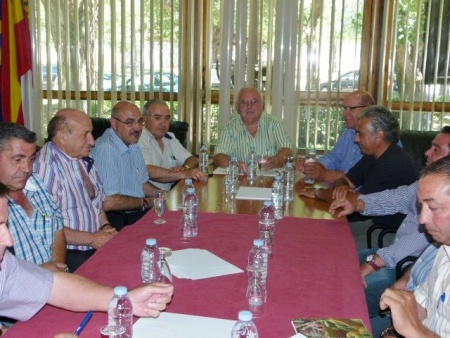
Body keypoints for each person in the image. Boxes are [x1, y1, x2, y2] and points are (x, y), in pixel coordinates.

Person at [0, 182, 174, 336]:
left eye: (5, 225)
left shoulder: (4, 264)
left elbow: (54, 287)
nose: (9, 240)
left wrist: (125, 299)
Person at [329, 126, 450, 337]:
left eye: (436, 149)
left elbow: (418, 240)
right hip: (405, 269)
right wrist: (357, 204)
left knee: (343, 294)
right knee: (338, 265)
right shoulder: (443, 249)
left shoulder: (440, 234)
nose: (427, 153)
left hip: (399, 260)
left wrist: (375, 262)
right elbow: (396, 197)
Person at [34, 109, 117, 271]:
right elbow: (44, 226)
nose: (92, 141)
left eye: (91, 133)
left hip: (96, 243)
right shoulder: (46, 168)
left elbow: (96, 205)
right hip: (69, 253)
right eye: (85, 134)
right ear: (62, 137)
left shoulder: (84, 157)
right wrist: (91, 239)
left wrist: (106, 227)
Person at [378, 156, 450, 337]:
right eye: (421, 205)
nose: (422, 219)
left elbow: (416, 328)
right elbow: (425, 310)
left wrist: (413, 330)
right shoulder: (444, 249)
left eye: (433, 207)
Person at [0, 123, 67, 272]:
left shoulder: (36, 182)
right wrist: (42, 274)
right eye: (18, 160)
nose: (27, 169)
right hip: (21, 292)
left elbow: (58, 229)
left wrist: (57, 269)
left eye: (31, 159)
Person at [92, 101, 159, 230]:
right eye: (130, 122)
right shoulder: (106, 149)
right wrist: (145, 203)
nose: (138, 128)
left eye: (140, 121)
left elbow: (143, 184)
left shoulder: (132, 143)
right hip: (120, 219)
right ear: (114, 123)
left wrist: (165, 196)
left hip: (138, 211)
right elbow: (109, 202)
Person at [297, 90, 375, 182]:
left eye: (351, 108)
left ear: (368, 109)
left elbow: (364, 178)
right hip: (341, 189)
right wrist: (313, 167)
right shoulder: (349, 132)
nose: (345, 114)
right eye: (345, 108)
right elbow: (333, 158)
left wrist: (325, 174)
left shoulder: (378, 139)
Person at [213, 87, 292, 172]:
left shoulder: (276, 124)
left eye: (254, 102)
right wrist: (235, 163)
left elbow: (288, 150)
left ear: (263, 105)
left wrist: (276, 161)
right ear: (237, 107)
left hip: (271, 181)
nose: (249, 107)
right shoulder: (228, 128)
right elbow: (218, 156)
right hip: (240, 180)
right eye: (244, 102)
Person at [138, 99, 207, 191]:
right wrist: (184, 174)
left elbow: (192, 159)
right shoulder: (139, 138)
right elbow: (148, 171)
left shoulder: (169, 137)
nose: (163, 123)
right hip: (147, 197)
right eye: (157, 118)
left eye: (167, 118)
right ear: (144, 118)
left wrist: (184, 168)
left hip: (169, 193)